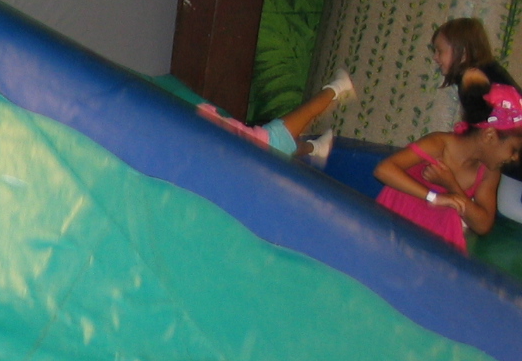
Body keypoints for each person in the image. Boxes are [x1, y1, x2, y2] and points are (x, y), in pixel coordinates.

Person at [373, 70, 522, 254]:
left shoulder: (489, 171)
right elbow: (383, 170)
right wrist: (434, 197)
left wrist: (452, 185)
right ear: (489, 135)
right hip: (397, 219)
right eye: (514, 149)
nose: (515, 157)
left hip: (436, 234)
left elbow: (483, 225)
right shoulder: (439, 145)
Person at [196, 70, 356, 165]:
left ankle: (318, 148)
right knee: (308, 111)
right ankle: (340, 85)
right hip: (268, 140)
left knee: (289, 148)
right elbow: (209, 109)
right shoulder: (202, 117)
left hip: (265, 158)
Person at [427, 18, 516, 133]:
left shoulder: (472, 77)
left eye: (440, 51)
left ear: (463, 52)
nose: (435, 57)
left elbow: (479, 123)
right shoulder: (486, 70)